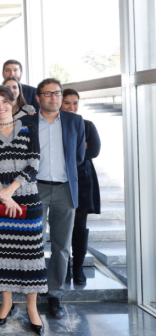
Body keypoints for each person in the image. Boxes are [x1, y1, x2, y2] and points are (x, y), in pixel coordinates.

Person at [0, 86, 47, 335]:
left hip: (28, 201)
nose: (0, 107)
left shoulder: (29, 128)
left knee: (31, 257)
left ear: (13, 100)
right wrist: (2, 194)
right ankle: (6, 303)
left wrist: (12, 190)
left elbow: (34, 162)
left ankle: (32, 308)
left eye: (4, 101)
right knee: (2, 254)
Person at [21, 78, 85, 319]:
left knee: (61, 247)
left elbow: (78, 157)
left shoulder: (75, 121)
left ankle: (55, 295)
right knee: (34, 245)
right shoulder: (26, 122)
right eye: (48, 94)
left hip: (65, 190)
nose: (54, 98)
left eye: (57, 93)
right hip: (34, 189)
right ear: (38, 98)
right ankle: (33, 294)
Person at [61, 89, 101, 285]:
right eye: (67, 103)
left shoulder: (87, 124)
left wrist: (72, 149)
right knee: (63, 228)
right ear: (60, 103)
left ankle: (78, 268)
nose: (71, 107)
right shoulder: (56, 124)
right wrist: (78, 147)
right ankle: (64, 267)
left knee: (79, 227)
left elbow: (93, 150)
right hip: (61, 179)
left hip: (83, 179)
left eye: (75, 102)